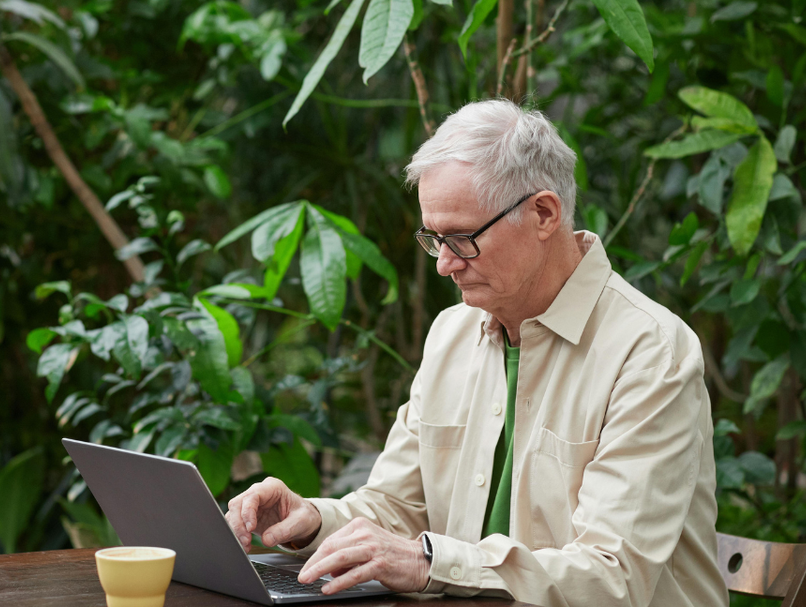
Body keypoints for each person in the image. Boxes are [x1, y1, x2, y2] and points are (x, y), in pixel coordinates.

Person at [224, 99, 728, 607]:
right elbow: (398, 507)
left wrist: (428, 563)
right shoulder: (452, 334)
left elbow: (611, 577)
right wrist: (312, 520)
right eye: (435, 239)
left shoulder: (649, 352)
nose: (444, 265)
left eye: (462, 239)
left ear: (544, 214)